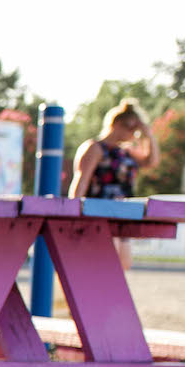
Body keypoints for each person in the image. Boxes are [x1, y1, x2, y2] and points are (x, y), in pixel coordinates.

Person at [68, 100, 158, 269]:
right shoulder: (95, 148)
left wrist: (148, 134)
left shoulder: (126, 152)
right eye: (131, 128)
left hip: (122, 214)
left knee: (122, 264)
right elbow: (81, 181)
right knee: (102, 264)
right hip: (98, 212)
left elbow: (151, 161)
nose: (133, 134)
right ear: (116, 124)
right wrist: (73, 214)